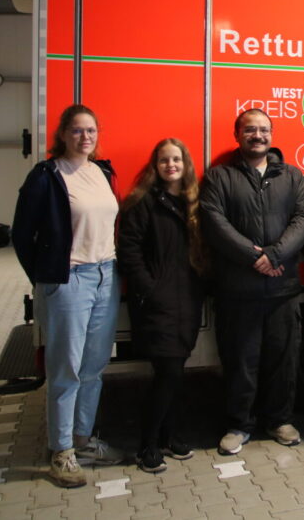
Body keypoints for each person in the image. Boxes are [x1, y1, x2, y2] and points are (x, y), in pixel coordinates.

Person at [12, 104, 124, 488]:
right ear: (62, 134)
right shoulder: (46, 176)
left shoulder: (101, 172)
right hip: (69, 280)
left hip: (106, 275)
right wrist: (48, 278)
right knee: (66, 370)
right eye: (77, 130)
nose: (85, 137)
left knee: (93, 367)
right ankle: (61, 452)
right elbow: (21, 235)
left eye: (91, 130)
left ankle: (83, 440)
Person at [200, 109, 304, 454]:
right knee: (240, 360)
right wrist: (255, 258)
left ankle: (279, 420)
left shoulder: (292, 176)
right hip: (238, 290)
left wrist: (275, 256)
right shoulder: (219, 177)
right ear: (237, 135)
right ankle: (239, 424)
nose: (258, 135)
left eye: (264, 129)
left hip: (282, 290)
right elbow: (213, 220)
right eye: (250, 130)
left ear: (272, 134)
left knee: (283, 360)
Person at [117, 138, 205, 473]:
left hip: (187, 301)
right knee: (167, 374)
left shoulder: (191, 203)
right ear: (155, 165)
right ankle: (147, 445)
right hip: (158, 303)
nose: (171, 166)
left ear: (186, 165)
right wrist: (150, 290)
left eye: (177, 160)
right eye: (164, 160)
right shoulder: (143, 203)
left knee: (176, 373)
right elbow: (130, 252)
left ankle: (169, 437)